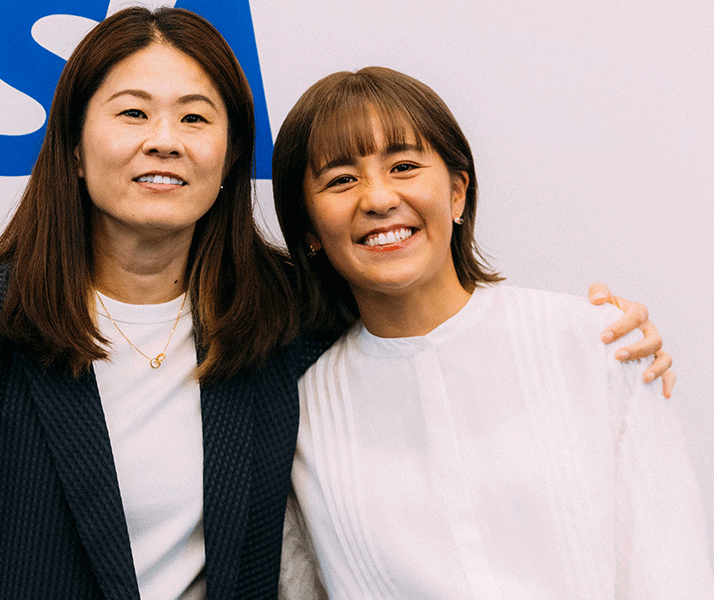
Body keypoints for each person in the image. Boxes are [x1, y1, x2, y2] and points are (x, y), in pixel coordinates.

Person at [0, 7, 671, 600]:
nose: (162, 139)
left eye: (195, 117)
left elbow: (426, 334)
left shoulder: (284, 325)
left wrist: (593, 342)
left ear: (230, 154)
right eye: (131, 112)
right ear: (73, 144)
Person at [272, 66, 713, 598]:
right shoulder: (298, 413)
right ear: (308, 229)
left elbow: (670, 563)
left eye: (404, 165)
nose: (379, 198)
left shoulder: (599, 341)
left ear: (457, 193)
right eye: (341, 179)